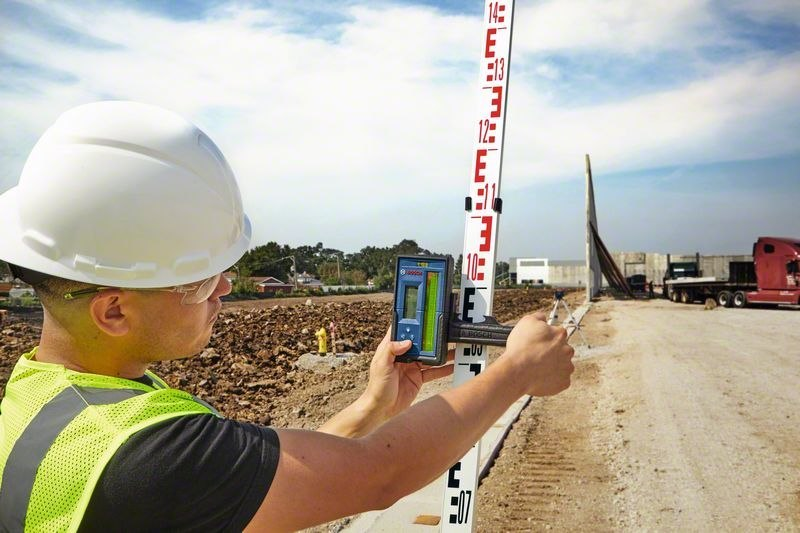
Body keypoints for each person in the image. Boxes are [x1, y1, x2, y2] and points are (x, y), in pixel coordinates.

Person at [0, 102, 574, 532]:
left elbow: (256, 478)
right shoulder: (145, 451)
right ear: (114, 310)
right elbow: (379, 474)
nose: (226, 287)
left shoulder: (42, 397)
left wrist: (372, 407)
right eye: (200, 279)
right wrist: (517, 371)